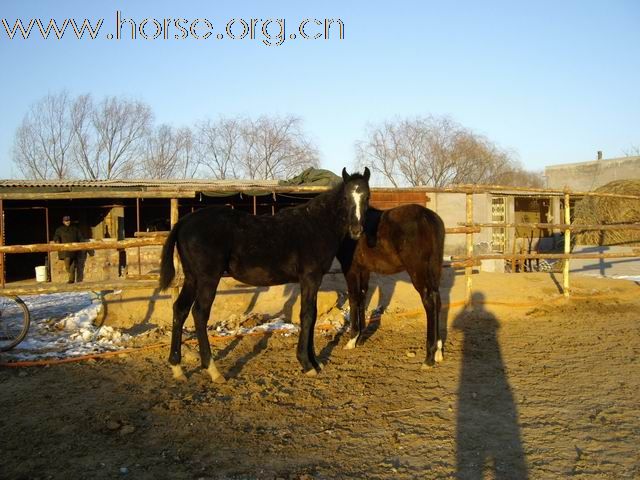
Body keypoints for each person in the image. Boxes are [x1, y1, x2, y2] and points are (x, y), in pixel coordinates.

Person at [53, 215, 84, 283]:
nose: (67, 222)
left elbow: (80, 237)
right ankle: (70, 275)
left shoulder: (75, 229)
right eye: (66, 221)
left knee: (72, 266)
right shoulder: (59, 229)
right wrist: (57, 240)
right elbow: (56, 236)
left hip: (74, 250)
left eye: (68, 220)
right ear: (63, 222)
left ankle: (71, 280)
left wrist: (82, 244)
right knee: (67, 265)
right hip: (65, 251)